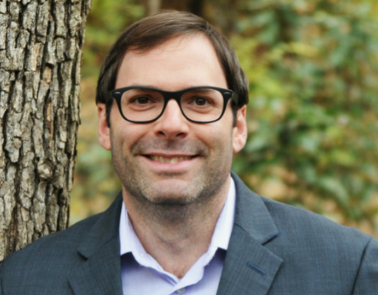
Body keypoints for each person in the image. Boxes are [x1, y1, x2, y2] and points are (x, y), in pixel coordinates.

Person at [0, 10, 377, 295]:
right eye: (143, 100)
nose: (172, 124)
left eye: (199, 100)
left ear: (238, 125)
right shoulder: (23, 281)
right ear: (104, 124)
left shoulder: (348, 269)